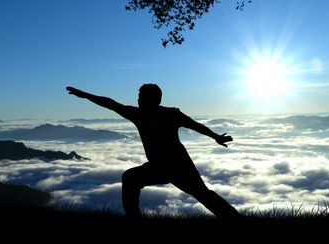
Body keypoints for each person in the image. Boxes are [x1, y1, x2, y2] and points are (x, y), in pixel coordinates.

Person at [66, 84, 240, 220]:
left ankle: (235, 220)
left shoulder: (171, 114)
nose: (139, 100)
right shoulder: (137, 114)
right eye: (139, 97)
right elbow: (111, 104)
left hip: (180, 166)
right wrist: (85, 95)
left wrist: (215, 136)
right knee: (130, 178)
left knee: (203, 194)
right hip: (158, 166)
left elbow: (195, 126)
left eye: (143, 97)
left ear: (155, 100)